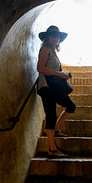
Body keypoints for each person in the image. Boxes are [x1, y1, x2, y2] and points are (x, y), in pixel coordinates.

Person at [37, 25, 76, 158]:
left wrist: (63, 77)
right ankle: (52, 149)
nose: (56, 38)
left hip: (55, 87)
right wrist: (60, 74)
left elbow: (55, 73)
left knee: (71, 106)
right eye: (53, 35)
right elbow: (40, 68)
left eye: (58, 36)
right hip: (46, 87)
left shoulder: (54, 52)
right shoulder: (46, 49)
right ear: (47, 37)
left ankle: (57, 128)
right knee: (51, 115)